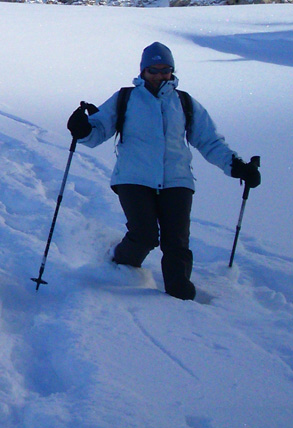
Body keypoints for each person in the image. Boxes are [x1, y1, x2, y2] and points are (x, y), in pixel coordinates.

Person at [67, 42, 261, 301]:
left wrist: (236, 166)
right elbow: (98, 131)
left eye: (165, 70)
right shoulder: (126, 98)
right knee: (144, 235)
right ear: (143, 71)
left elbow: (209, 141)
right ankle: (120, 265)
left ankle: (180, 293)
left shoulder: (184, 102)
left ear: (172, 71)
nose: (159, 76)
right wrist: (83, 129)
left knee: (177, 242)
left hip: (177, 179)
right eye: (153, 70)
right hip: (134, 178)